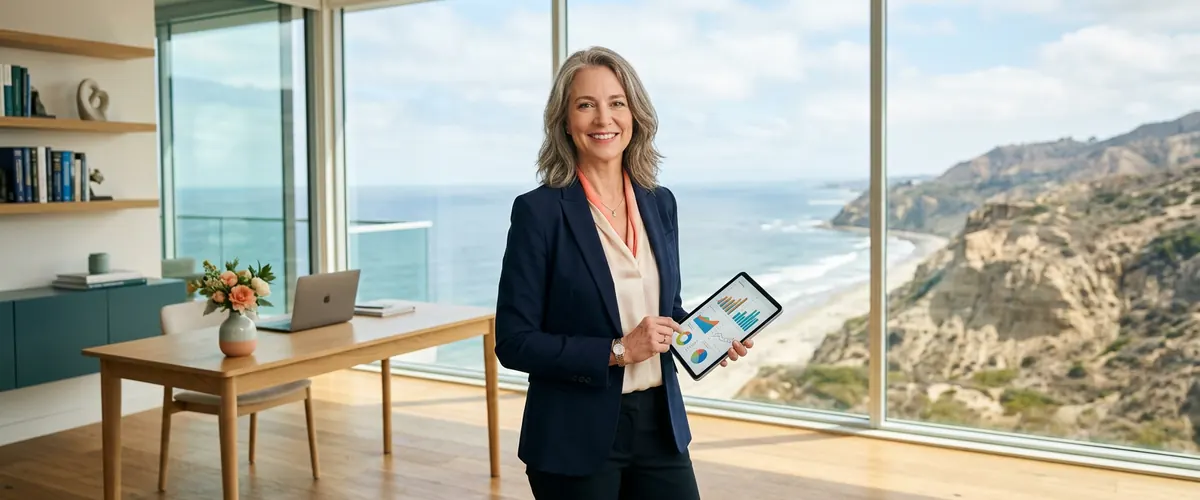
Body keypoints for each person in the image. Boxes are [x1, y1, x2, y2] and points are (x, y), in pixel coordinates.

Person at [493, 46, 753, 500]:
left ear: (635, 114)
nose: (603, 119)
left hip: (660, 425)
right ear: (564, 121)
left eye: (616, 103)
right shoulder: (538, 212)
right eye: (585, 105)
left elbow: (664, 310)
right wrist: (617, 351)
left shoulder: (660, 201)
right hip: (574, 436)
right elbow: (514, 343)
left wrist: (709, 338)